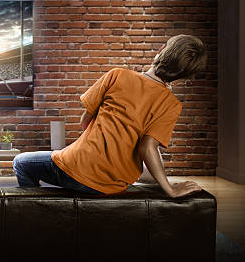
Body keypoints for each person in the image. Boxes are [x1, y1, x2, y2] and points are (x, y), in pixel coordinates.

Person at [13, 34, 207, 197]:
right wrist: (170, 189)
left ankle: (33, 214)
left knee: (20, 162)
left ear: (161, 49)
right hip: (115, 183)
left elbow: (84, 122)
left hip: (77, 169)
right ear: (184, 78)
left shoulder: (118, 75)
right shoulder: (172, 105)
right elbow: (148, 147)